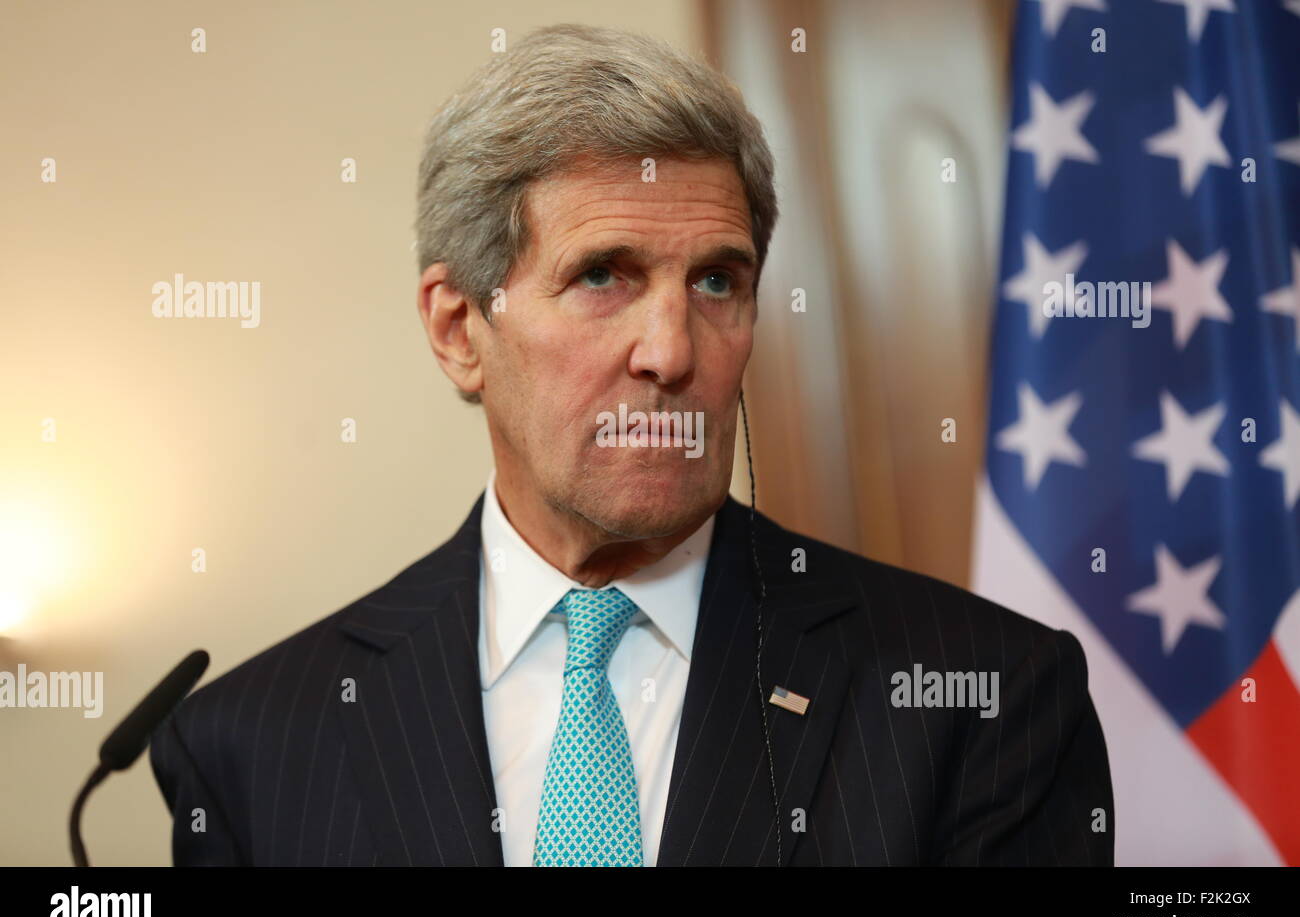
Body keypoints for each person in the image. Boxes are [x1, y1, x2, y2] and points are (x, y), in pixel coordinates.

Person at [149, 22, 1114, 866]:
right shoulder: (252, 742)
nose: (673, 351)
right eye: (605, 274)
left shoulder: (981, 697)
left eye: (717, 282)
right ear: (457, 329)